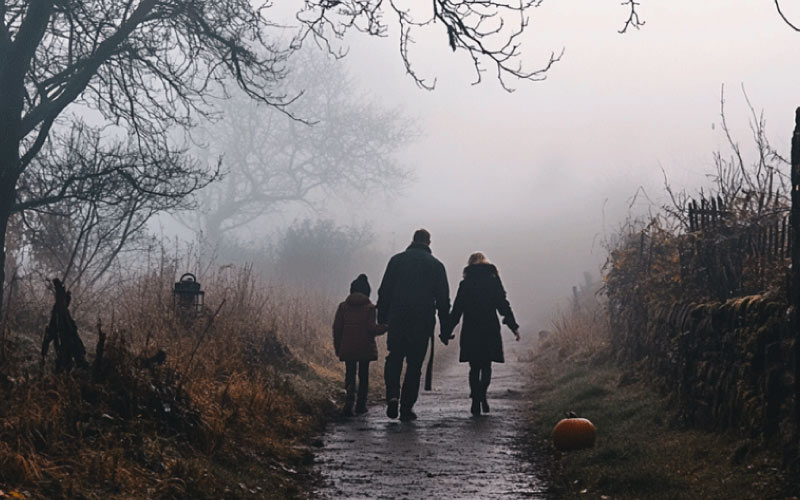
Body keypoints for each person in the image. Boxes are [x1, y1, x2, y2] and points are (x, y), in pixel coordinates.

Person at [377, 229, 451, 421]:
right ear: (429, 242)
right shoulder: (436, 265)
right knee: (415, 365)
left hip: (398, 319)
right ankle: (407, 407)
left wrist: (382, 319)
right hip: (422, 322)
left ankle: (393, 395)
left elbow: (384, 291)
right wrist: (445, 329)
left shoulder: (396, 261)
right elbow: (443, 300)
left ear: (412, 240)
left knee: (394, 358)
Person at [444, 252, 520, 416]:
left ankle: (475, 399)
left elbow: (457, 310)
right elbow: (503, 305)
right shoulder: (493, 281)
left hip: (471, 328)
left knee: (474, 367)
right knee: (486, 365)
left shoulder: (465, 284)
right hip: (489, 328)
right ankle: (482, 395)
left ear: (470, 266)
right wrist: (513, 326)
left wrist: (446, 332)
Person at [333, 274, 388, 416]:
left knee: (350, 373)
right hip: (365, 348)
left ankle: (349, 400)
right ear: (367, 291)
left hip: (348, 347)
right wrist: (385, 327)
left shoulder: (343, 307)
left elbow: (337, 328)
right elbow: (371, 329)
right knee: (364, 376)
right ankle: (361, 405)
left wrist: (338, 346)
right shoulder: (370, 308)